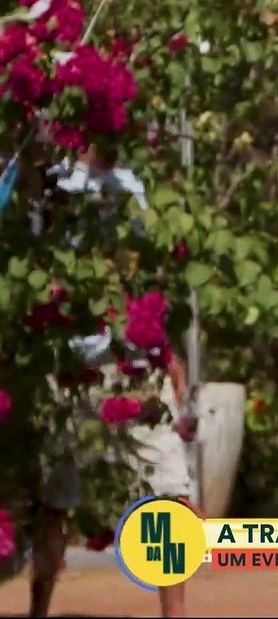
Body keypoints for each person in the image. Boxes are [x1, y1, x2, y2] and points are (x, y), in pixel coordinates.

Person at [30, 146, 195, 619]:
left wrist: (167, 350)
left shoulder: (133, 185)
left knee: (169, 493)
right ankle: (39, 607)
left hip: (135, 366)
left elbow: (143, 279)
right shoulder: (52, 185)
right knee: (55, 498)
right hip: (72, 364)